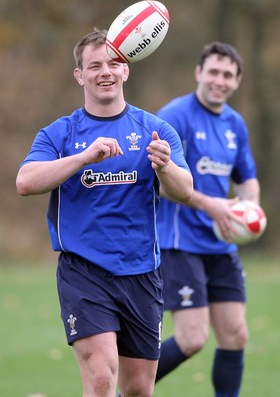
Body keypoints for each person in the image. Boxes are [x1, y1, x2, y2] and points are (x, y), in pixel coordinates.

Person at [16, 28, 193, 397]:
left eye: (113, 63)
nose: (105, 72)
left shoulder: (156, 131)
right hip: (84, 271)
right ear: (80, 75)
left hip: (142, 271)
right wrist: (82, 158)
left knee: (139, 388)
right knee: (100, 378)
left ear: (126, 69)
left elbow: (185, 190)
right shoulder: (59, 134)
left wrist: (165, 168)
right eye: (94, 65)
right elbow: (26, 181)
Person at [155, 41, 260, 397]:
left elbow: (246, 178)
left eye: (228, 75)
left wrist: (251, 213)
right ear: (198, 72)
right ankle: (124, 391)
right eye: (213, 71)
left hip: (221, 244)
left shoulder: (235, 124)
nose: (220, 80)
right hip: (180, 242)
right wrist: (212, 206)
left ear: (237, 81)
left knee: (235, 334)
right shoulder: (175, 116)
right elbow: (160, 184)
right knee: (191, 338)